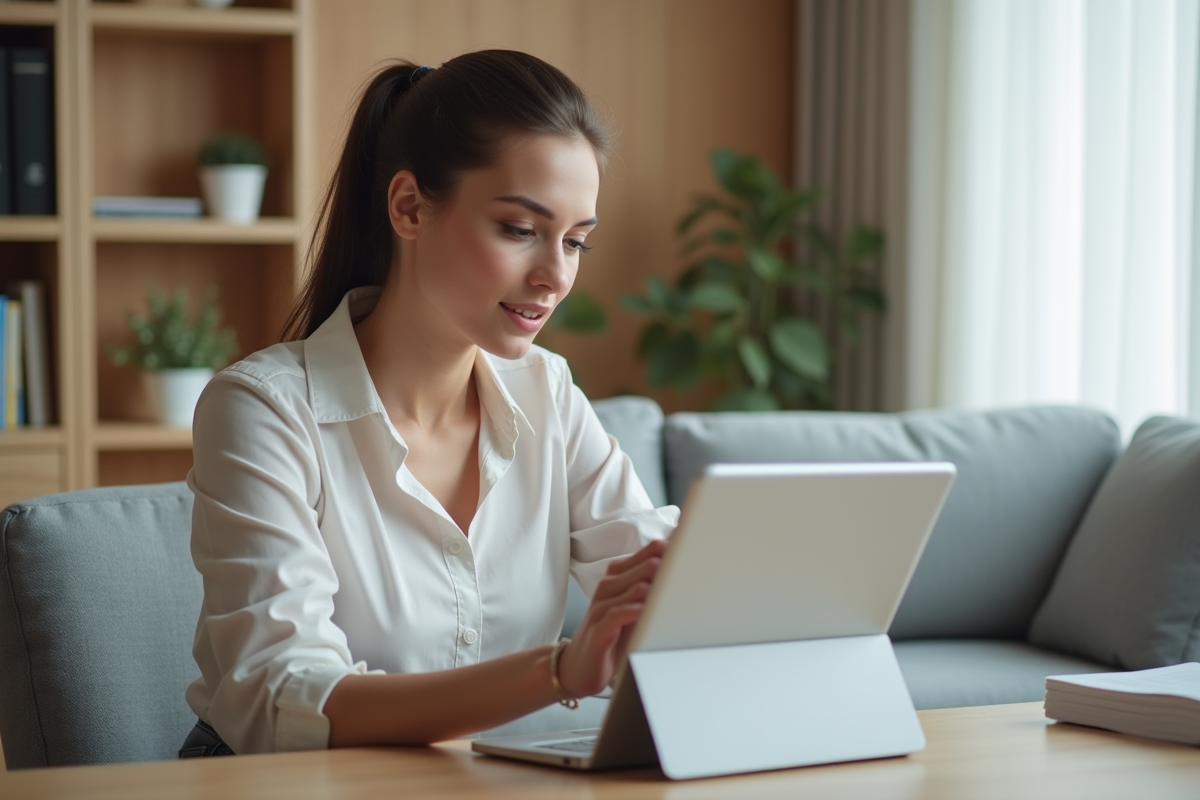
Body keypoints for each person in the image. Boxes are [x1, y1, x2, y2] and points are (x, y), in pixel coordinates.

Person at [178, 50, 679, 758]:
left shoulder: (549, 393)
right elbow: (287, 695)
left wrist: (684, 589)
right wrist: (560, 669)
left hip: (466, 779)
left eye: (575, 242)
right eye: (519, 229)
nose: (555, 275)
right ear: (409, 207)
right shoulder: (261, 410)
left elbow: (655, 578)